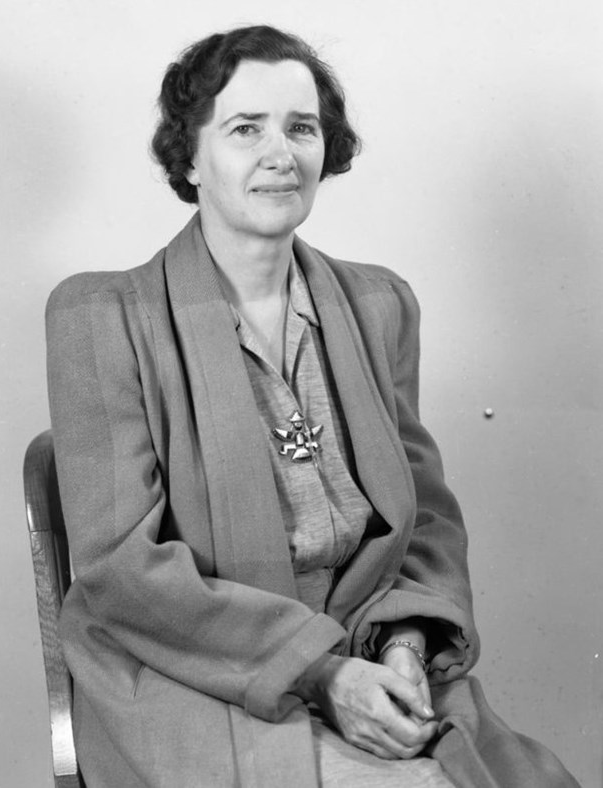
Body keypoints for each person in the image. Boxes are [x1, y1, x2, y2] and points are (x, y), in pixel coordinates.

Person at [45, 24, 580, 788]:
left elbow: (424, 517)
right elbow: (122, 571)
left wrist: (404, 645)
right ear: (189, 157)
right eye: (244, 129)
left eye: (302, 128)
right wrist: (323, 675)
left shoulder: (378, 304)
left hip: (368, 650)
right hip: (192, 674)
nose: (280, 154)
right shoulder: (99, 318)